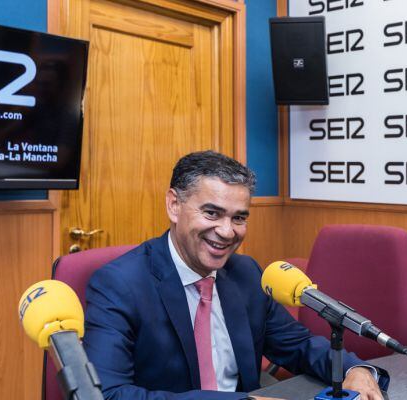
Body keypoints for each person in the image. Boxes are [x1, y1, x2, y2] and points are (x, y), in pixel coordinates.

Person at [83, 151, 388, 400]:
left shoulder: (246, 273)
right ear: (174, 205)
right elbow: (110, 394)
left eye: (239, 217)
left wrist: (354, 370)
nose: (227, 232)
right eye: (212, 213)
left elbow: (299, 346)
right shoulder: (119, 284)